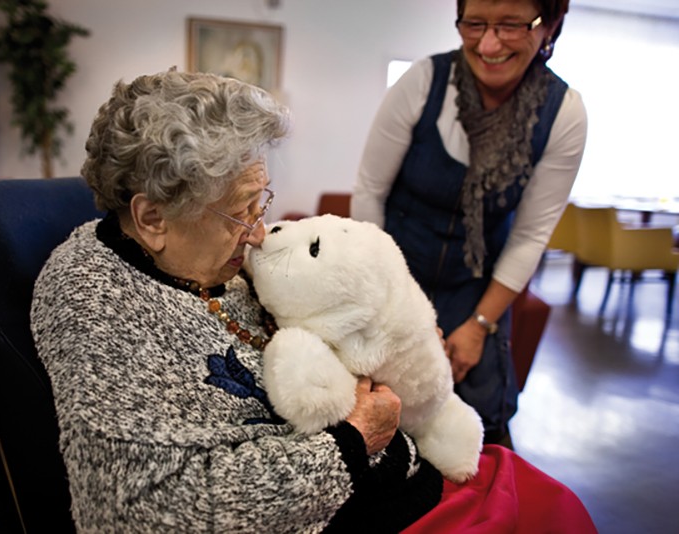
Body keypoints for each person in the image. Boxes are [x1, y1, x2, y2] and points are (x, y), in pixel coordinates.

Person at [30, 68, 444, 532]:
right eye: (240, 211)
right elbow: (141, 511)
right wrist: (354, 441)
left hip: (402, 481)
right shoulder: (93, 294)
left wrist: (394, 344)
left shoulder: (210, 264)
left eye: (260, 204)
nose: (258, 232)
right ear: (152, 219)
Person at [351, 0, 587, 446]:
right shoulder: (424, 81)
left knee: (478, 430)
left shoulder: (564, 113)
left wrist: (479, 324)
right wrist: (387, 303)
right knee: (379, 418)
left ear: (550, 26)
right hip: (393, 280)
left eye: (511, 25)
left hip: (476, 293)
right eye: (474, 23)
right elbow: (369, 193)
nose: (488, 43)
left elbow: (530, 235)